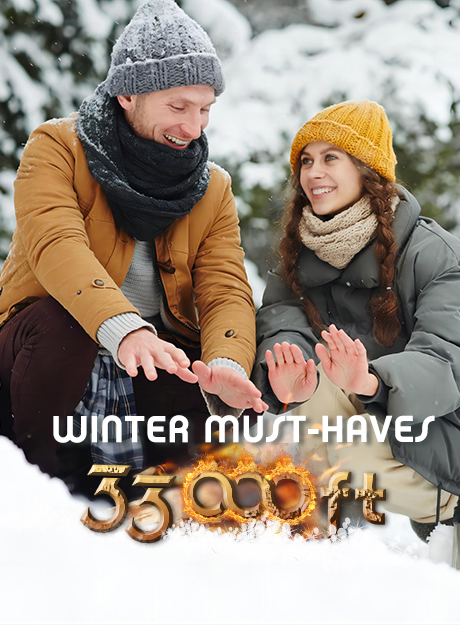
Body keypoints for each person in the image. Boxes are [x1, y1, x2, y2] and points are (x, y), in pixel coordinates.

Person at [0, 0, 265, 493]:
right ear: (127, 95)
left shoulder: (213, 188)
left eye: (205, 109)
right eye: (178, 106)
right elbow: (58, 246)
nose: (194, 127)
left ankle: (167, 509)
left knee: (206, 414)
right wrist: (123, 330)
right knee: (65, 326)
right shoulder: (57, 147)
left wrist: (225, 364)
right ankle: (37, 497)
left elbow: (225, 290)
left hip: (151, 357)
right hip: (38, 351)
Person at [253, 100, 460, 539]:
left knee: (344, 453)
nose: (313, 172)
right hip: (374, 422)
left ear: (367, 169)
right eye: (306, 161)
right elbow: (280, 324)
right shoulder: (297, 255)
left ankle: (458, 508)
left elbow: (448, 358)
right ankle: (321, 557)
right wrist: (286, 374)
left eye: (331, 158)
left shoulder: (440, 255)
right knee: (302, 417)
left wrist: (370, 381)